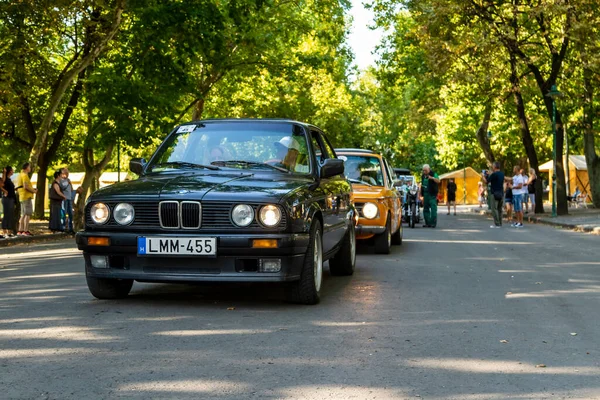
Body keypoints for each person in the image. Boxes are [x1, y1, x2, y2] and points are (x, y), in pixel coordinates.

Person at [16, 162, 37, 236]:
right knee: (27, 214)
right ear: (26, 168)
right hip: (26, 196)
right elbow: (25, 186)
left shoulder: (19, 175)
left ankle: (20, 230)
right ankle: (25, 230)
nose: (30, 168)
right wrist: (34, 191)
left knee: (23, 214)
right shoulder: (25, 175)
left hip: (21, 196)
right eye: (29, 167)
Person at [482, 161, 505, 228]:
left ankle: (497, 224)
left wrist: (483, 176)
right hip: (501, 193)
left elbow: (486, 181)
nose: (492, 167)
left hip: (494, 193)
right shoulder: (502, 174)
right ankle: (500, 223)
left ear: (494, 167)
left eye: (492, 166)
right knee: (500, 209)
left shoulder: (494, 174)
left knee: (494, 209)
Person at [2, 166, 17, 238]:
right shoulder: (5, 179)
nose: (13, 171)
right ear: (9, 171)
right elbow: (2, 183)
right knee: (6, 215)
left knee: (10, 216)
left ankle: (9, 232)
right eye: (12, 170)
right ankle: (4, 232)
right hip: (7, 199)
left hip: (11, 199)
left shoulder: (10, 179)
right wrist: (4, 172)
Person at [60, 168, 75, 233]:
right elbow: (61, 188)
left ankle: (70, 228)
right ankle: (63, 227)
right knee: (63, 213)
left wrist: (70, 183)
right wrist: (67, 182)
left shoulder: (68, 180)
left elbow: (71, 189)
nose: (67, 175)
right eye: (66, 173)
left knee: (70, 214)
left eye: (68, 173)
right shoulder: (61, 180)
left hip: (69, 198)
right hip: (64, 199)